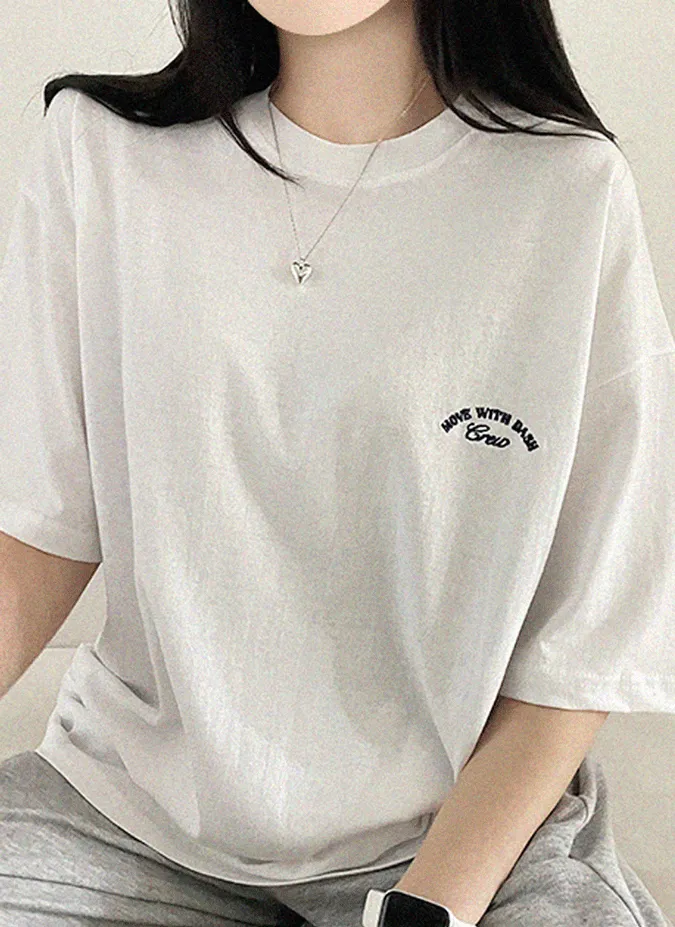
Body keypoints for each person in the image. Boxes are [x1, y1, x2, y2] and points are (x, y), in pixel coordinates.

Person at [0, 0, 673, 924]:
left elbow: (581, 643)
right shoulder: (102, 152)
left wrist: (424, 910)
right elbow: (38, 539)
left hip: (449, 841)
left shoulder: (567, 194)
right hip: (126, 819)